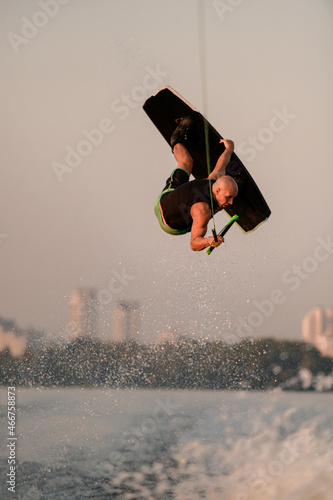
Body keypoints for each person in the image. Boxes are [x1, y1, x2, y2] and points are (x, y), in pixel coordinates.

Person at [154, 117, 239, 251]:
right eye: (229, 197)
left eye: (232, 197)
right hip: (170, 226)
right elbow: (194, 244)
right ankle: (176, 138)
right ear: (217, 191)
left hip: (164, 197)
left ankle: (177, 142)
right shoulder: (203, 210)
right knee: (212, 207)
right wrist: (208, 241)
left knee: (186, 162)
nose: (232, 202)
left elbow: (222, 164)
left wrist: (229, 148)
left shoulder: (215, 179)